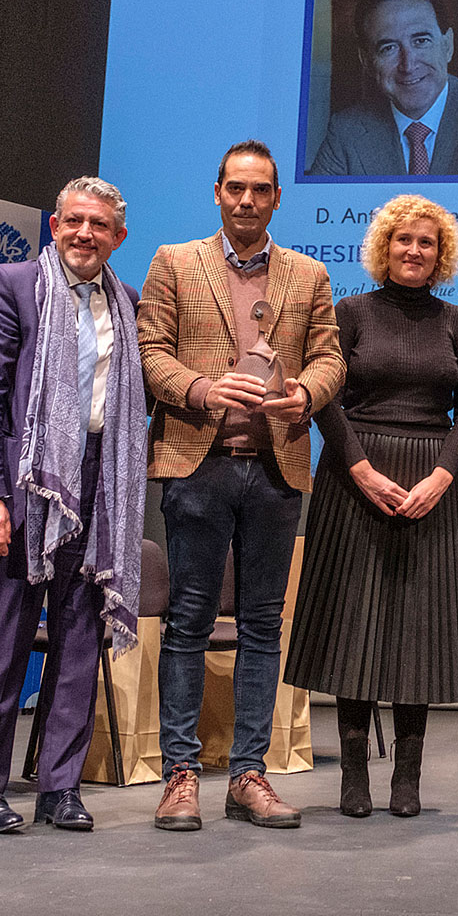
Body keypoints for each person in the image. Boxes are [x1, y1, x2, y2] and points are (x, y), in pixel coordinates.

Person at [138, 139, 345, 830]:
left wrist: (306, 399)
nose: (248, 200)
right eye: (236, 188)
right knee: (189, 622)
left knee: (263, 624)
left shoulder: (308, 274)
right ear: (218, 193)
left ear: (278, 198)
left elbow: (330, 359)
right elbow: (149, 354)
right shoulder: (175, 262)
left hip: (276, 468)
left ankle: (249, 774)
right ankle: (182, 775)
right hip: (197, 464)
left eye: (261, 189)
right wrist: (199, 388)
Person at [0, 177, 148, 835]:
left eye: (100, 225)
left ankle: (60, 786)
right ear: (54, 224)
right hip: (29, 485)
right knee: (5, 640)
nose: (85, 234)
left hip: (100, 482)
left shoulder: (127, 300)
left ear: (118, 237)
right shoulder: (12, 286)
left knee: (78, 639)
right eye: (74, 221)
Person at [285, 195, 458, 819]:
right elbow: (327, 400)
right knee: (354, 625)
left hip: (433, 487)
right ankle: (353, 777)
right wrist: (362, 469)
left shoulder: (457, 322)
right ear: (383, 248)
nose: (415, 251)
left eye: (427, 242)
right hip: (356, 478)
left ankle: (408, 777)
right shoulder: (350, 313)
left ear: (441, 252)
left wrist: (442, 476)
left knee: (416, 629)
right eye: (404, 241)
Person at [307, 0, 458, 176]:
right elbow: (315, 210)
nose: (408, 65)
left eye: (421, 41)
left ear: (448, 45)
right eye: (389, 48)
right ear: (367, 61)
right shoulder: (347, 131)